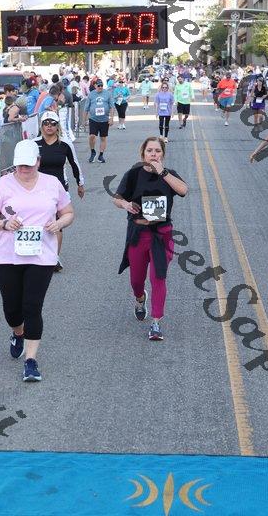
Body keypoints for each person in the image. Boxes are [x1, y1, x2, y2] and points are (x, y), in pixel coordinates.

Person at [0, 139, 75, 382]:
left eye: (28, 165)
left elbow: (68, 213)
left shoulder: (52, 183)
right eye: (19, 165)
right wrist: (4, 223)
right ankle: (18, 333)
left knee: (32, 306)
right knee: (12, 308)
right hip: (7, 254)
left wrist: (59, 223)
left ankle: (31, 362)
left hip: (41, 254)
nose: (23, 169)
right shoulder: (3, 184)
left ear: (38, 162)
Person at [113, 137, 188, 340]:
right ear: (143, 154)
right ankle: (140, 298)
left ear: (162, 154)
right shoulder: (133, 174)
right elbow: (117, 198)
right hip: (138, 234)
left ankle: (156, 322)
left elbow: (183, 190)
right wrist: (125, 204)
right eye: (150, 151)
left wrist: (163, 173)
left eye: (157, 151)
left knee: (158, 277)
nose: (153, 154)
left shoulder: (169, 174)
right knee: (136, 280)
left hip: (162, 234)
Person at [35, 111, 84, 271]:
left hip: (59, 190)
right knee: (38, 223)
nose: (49, 126)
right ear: (41, 126)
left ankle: (54, 258)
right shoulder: (33, 144)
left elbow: (74, 164)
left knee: (57, 224)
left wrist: (80, 183)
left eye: (53, 123)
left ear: (58, 126)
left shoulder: (65, 144)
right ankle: (36, 254)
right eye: (46, 123)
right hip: (36, 190)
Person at [84, 78, 114, 163]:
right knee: (92, 136)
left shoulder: (107, 94)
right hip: (93, 119)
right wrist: (84, 120)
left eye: (101, 85)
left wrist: (111, 118)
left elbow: (112, 107)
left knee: (103, 137)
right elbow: (86, 108)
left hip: (104, 120)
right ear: (95, 86)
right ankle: (93, 151)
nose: (100, 87)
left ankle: (101, 155)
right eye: (99, 85)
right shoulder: (91, 94)